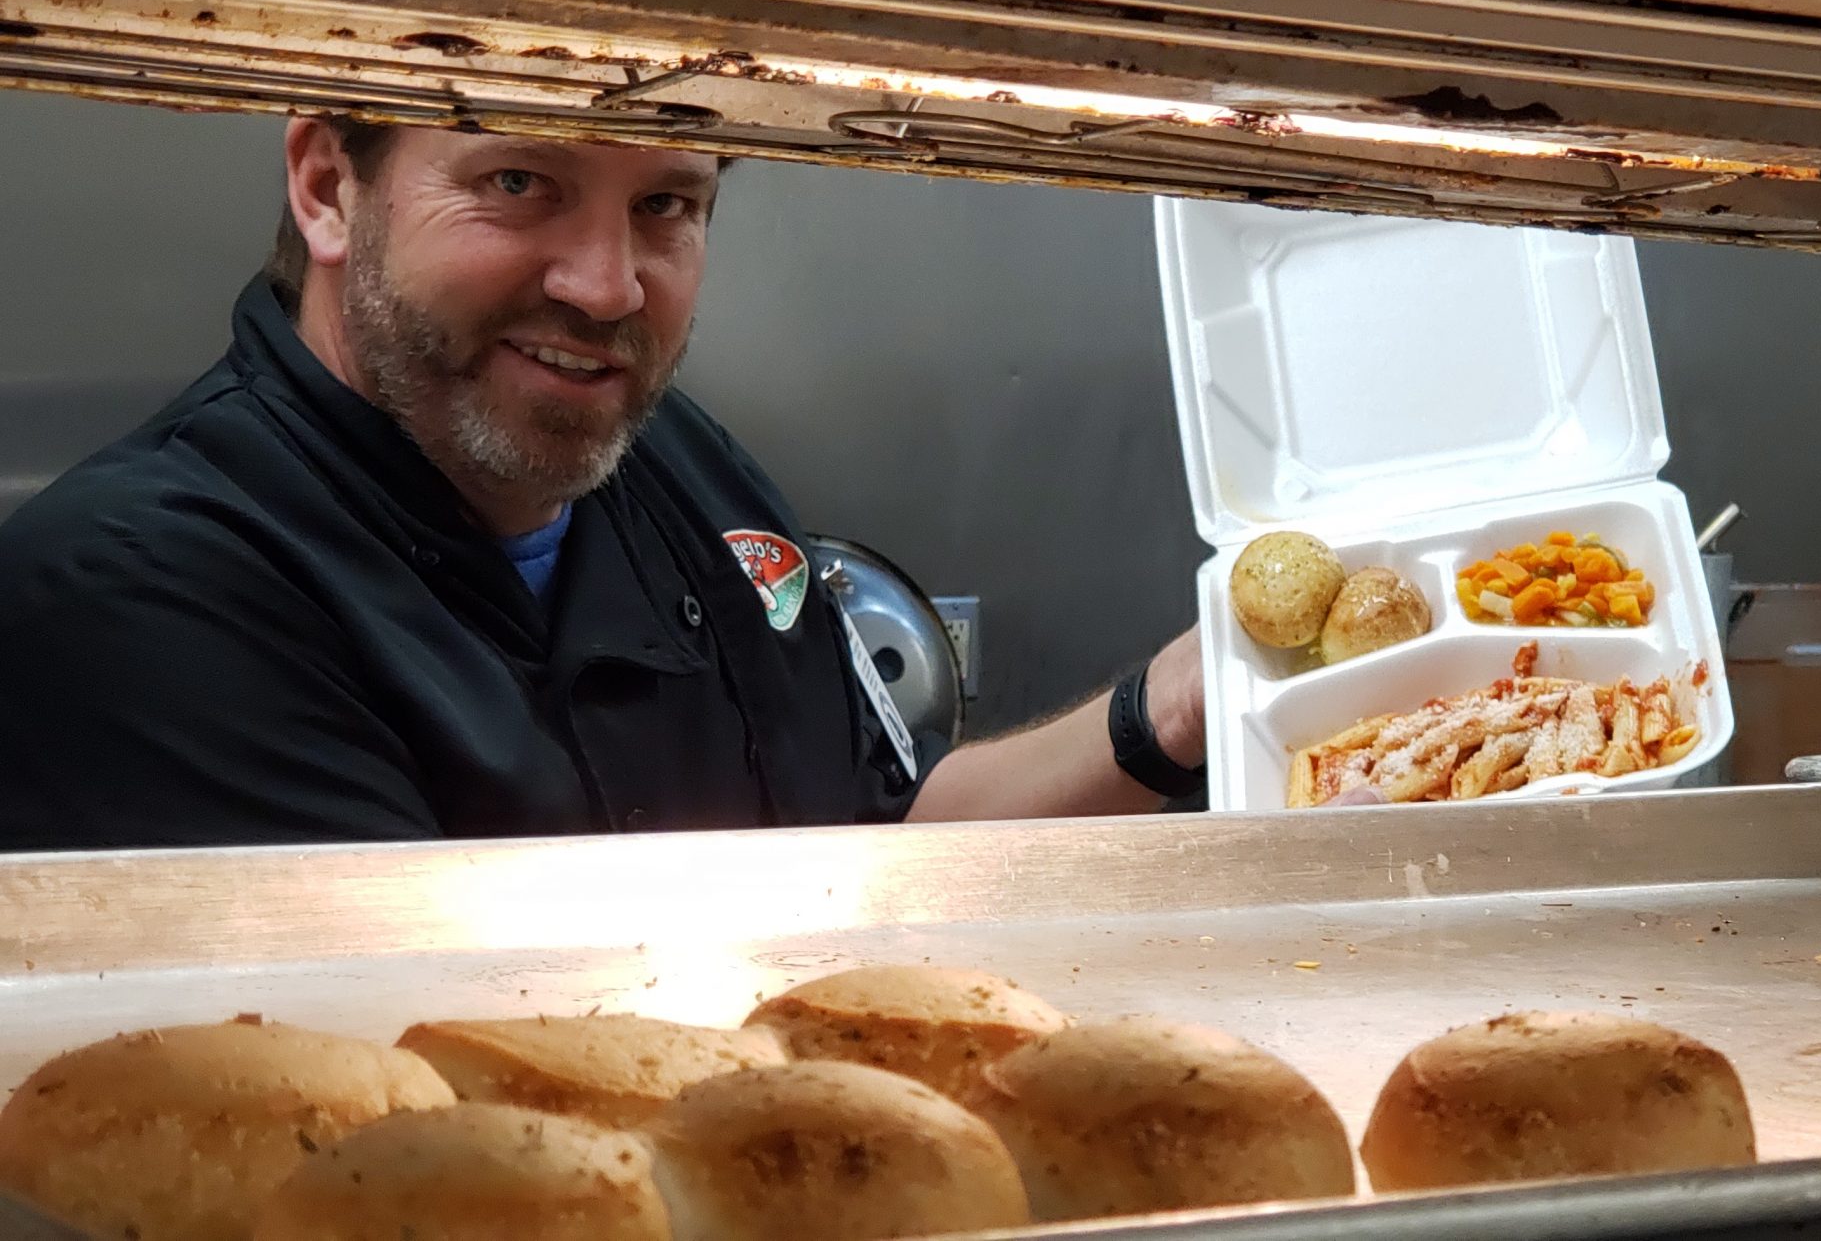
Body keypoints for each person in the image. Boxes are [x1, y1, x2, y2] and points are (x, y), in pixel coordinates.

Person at [0, 117, 1207, 849]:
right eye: (518, 182)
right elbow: (404, 1130)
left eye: (665, 204)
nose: (607, 286)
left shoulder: (672, 461)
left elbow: (883, 847)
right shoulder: (140, 592)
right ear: (327, 186)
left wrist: (1182, 705)